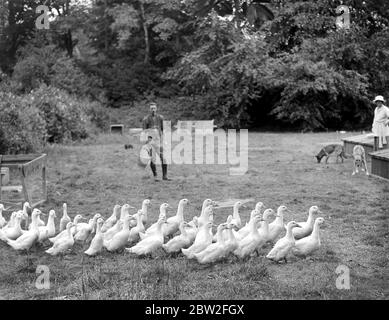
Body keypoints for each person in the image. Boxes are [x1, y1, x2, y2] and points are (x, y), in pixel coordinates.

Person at [142, 102, 171, 181]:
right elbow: (144, 131)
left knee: (163, 158)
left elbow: (163, 129)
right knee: (153, 159)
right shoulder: (146, 119)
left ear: (156, 108)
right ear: (149, 109)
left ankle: (165, 176)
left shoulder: (160, 118)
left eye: (154, 108)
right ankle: (155, 176)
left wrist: (164, 140)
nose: (153, 110)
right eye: (151, 108)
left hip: (159, 141)